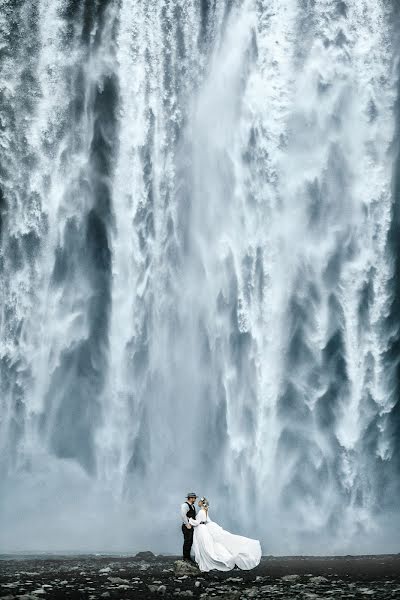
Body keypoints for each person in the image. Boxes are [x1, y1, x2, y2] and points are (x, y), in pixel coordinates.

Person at [188, 496, 262, 572]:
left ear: (202, 503)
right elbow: (208, 521)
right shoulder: (205, 511)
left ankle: (206, 561)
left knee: (204, 546)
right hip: (203, 527)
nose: (198, 502)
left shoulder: (201, 511)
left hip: (201, 528)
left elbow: (197, 522)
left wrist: (189, 520)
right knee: (206, 545)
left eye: (199, 501)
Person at [180, 492, 197, 562]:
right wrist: (187, 524)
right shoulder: (185, 505)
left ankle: (188, 557)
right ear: (190, 498)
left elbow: (192, 516)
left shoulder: (192, 506)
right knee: (187, 541)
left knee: (190, 542)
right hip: (187, 526)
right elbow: (183, 515)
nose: (195, 499)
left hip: (190, 526)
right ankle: (185, 557)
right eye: (194, 498)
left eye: (195, 498)